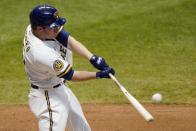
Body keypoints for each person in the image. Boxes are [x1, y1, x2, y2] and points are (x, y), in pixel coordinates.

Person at [22, 4, 115, 131]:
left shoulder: (33, 28)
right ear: (40, 28)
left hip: (60, 88)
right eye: (54, 27)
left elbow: (65, 37)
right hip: (48, 97)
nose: (57, 29)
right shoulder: (41, 53)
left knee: (82, 129)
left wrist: (92, 57)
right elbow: (72, 75)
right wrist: (98, 75)